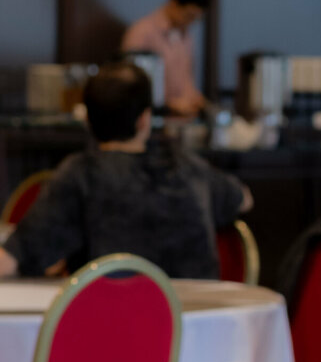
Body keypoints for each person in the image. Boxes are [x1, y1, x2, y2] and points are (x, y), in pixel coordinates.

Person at [0, 60, 251, 281]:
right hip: (198, 316)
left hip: (115, 316)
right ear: (144, 119)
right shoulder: (187, 165)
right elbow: (244, 199)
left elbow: (11, 261)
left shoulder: (81, 173)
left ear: (87, 120)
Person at [121, 0, 209, 118]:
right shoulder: (142, 32)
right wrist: (169, 105)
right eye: (189, 15)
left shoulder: (186, 35)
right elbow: (130, 86)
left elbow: (186, 78)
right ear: (174, 2)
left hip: (182, 120)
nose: (191, 22)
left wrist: (194, 98)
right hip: (153, 119)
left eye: (196, 19)